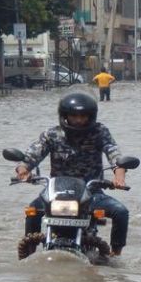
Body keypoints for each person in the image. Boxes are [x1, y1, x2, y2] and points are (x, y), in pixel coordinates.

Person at [14, 93, 132, 257]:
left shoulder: (100, 132)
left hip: (91, 192)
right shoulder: (52, 134)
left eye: (83, 116)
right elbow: (31, 156)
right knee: (33, 211)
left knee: (121, 212)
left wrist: (119, 177)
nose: (78, 120)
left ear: (90, 116)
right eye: (74, 116)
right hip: (56, 192)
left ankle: (115, 254)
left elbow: (115, 156)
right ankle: (29, 255)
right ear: (64, 116)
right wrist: (23, 171)